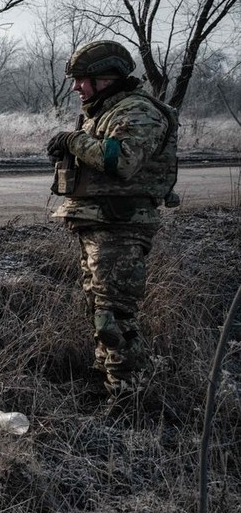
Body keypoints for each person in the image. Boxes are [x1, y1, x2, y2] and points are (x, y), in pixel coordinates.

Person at [47, 40, 178, 411]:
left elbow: (120, 160)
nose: (76, 88)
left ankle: (128, 398)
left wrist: (74, 141)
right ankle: (109, 380)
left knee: (114, 317)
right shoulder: (106, 110)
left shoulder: (137, 110)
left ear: (106, 78)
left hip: (121, 226)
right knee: (99, 309)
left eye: (82, 80)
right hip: (100, 223)